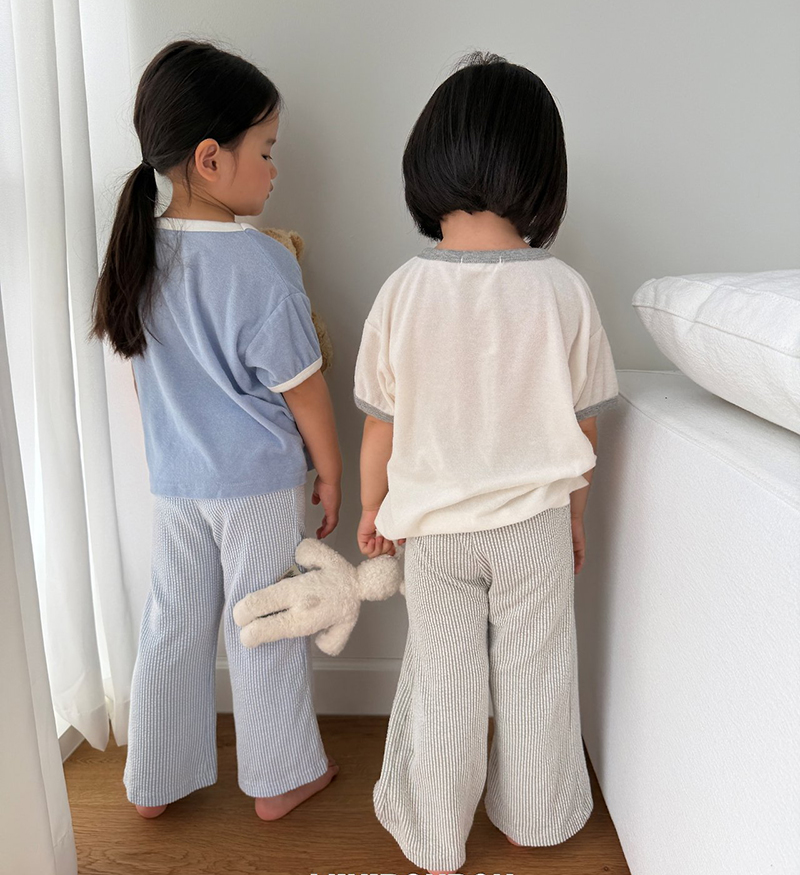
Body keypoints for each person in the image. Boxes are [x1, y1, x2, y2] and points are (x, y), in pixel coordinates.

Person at [353, 51, 619, 873]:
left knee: (446, 681)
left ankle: (436, 834)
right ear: (541, 174)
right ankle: (534, 818)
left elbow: (380, 428)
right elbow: (583, 430)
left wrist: (372, 509)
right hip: (533, 524)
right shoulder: (565, 291)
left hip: (434, 532)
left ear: (428, 160)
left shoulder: (401, 291)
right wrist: (575, 517)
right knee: (539, 676)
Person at [91, 39, 342, 821]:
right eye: (265, 151)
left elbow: (147, 378)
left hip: (176, 481)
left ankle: (154, 780)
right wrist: (332, 471)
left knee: (172, 625)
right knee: (263, 624)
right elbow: (305, 391)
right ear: (209, 159)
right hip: (257, 482)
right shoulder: (261, 265)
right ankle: (279, 778)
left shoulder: (137, 254)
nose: (273, 169)